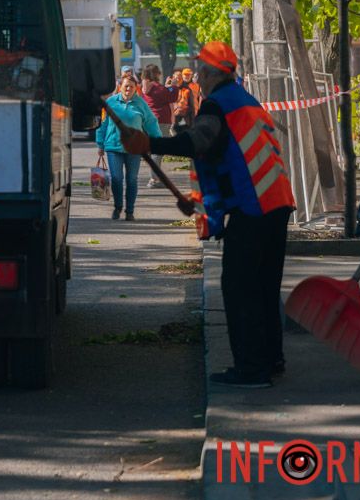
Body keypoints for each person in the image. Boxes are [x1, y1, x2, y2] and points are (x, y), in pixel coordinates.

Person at [122, 42, 295, 388]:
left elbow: (197, 144)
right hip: (275, 203)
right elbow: (225, 164)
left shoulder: (218, 106)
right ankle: (270, 360)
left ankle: (251, 370)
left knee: (239, 287)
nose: (197, 75)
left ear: (212, 73)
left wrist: (150, 144)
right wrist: (198, 204)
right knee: (263, 287)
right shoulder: (246, 102)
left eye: (201, 69)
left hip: (254, 207)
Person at [96, 74, 161, 221]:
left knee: (132, 179)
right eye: (126, 86)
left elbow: (151, 122)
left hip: (134, 148)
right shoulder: (111, 102)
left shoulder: (140, 104)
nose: (128, 89)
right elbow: (103, 124)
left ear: (136, 88)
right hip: (113, 147)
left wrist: (156, 142)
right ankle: (118, 207)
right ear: (120, 87)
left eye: (132, 87)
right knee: (117, 179)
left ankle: (129, 211)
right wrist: (100, 143)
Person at [140, 64, 174, 188]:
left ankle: (155, 177)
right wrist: (172, 86)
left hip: (149, 121)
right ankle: (154, 179)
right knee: (158, 151)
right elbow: (171, 96)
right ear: (155, 74)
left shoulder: (146, 87)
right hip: (161, 120)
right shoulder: (156, 87)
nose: (160, 74)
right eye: (158, 72)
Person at [173, 67, 199, 132]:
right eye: (185, 75)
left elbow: (198, 99)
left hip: (189, 115)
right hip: (175, 116)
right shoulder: (172, 88)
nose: (187, 76)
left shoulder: (192, 87)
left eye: (188, 75)